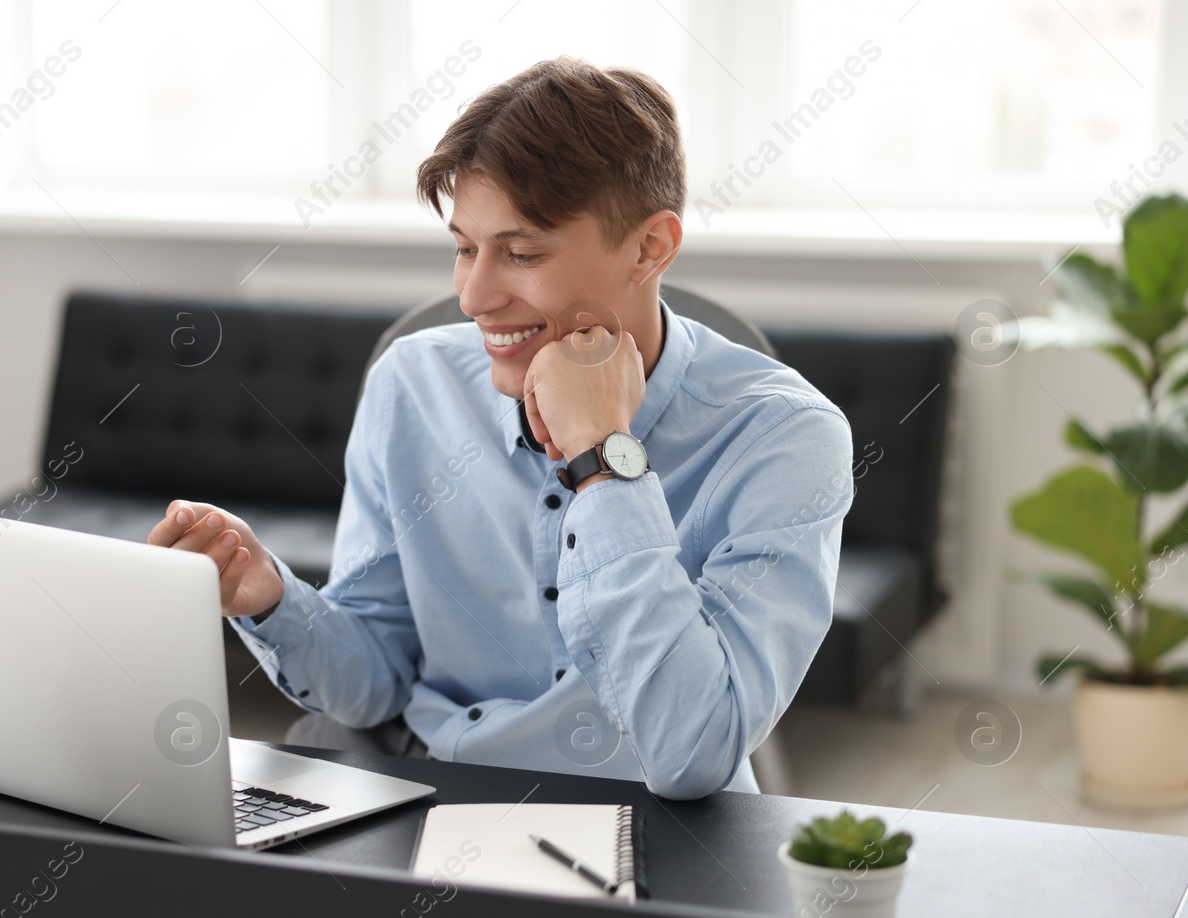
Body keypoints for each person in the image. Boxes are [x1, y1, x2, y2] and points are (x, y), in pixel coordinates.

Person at [148, 57, 853, 802]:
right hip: (436, 783)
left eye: (521, 254)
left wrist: (603, 460)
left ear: (650, 248)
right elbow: (377, 682)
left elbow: (693, 749)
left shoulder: (786, 436)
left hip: (655, 817)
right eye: (463, 248)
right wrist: (269, 597)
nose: (474, 295)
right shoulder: (411, 386)